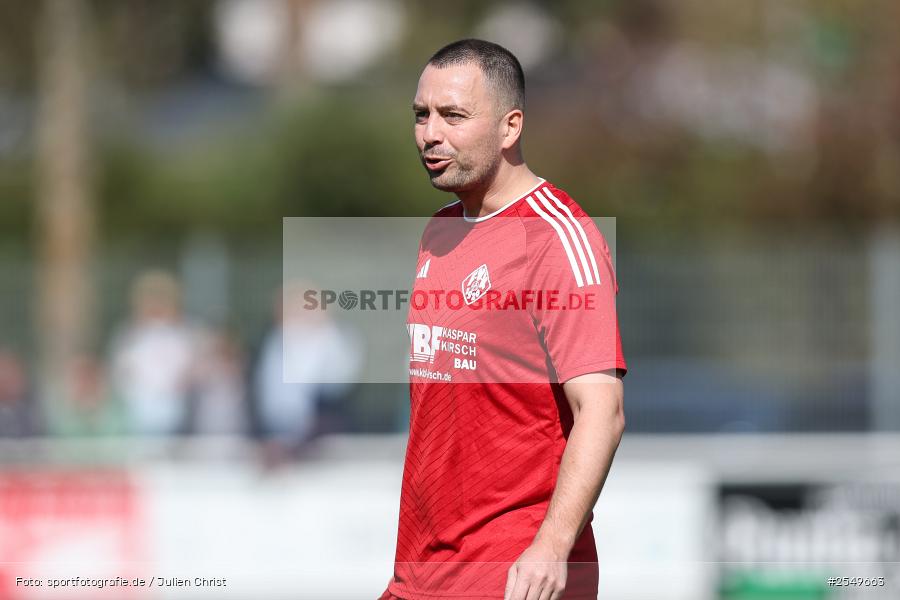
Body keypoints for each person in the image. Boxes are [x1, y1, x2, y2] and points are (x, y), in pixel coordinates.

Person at [380, 40, 627, 600]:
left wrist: (551, 546)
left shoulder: (559, 238)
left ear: (510, 126)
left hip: (514, 571)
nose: (429, 134)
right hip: (423, 571)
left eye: (453, 116)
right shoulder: (440, 230)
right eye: (421, 115)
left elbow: (602, 411)